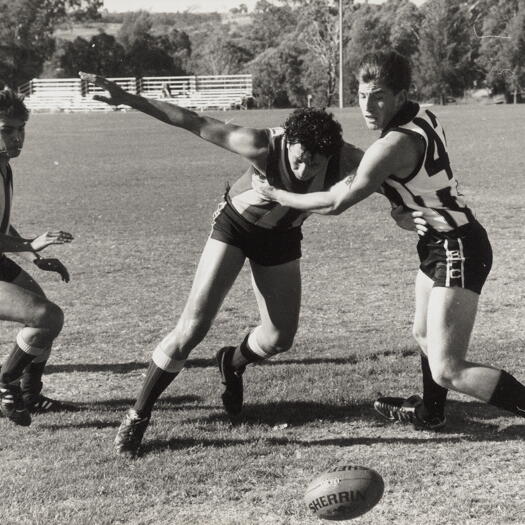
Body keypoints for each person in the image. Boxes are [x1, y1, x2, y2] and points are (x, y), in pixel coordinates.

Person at [78, 72, 364, 457]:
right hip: (236, 226)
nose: (306, 169)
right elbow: (193, 121)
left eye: (316, 163)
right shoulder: (260, 143)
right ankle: (138, 414)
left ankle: (232, 361)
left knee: (280, 339)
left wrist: (407, 211)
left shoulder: (345, 157)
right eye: (300, 158)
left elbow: (393, 175)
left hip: (281, 237)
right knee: (192, 327)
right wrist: (127, 97)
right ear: (289, 142)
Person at [253, 50, 525, 430]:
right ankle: (431, 412)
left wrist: (279, 195)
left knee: (448, 369)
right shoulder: (422, 115)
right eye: (362, 94)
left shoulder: (392, 145)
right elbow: (410, 182)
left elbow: (336, 202)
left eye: (378, 95)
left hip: (456, 246)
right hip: (439, 242)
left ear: (401, 94)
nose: (367, 104)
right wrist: (401, 205)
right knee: (423, 333)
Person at [0, 88, 74, 427]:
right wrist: (32, 242)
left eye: (21, 129)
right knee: (47, 317)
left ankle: (29, 393)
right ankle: (5, 381)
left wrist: (32, 253)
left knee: (43, 317)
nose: (17, 137)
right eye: (6, 129)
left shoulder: (4, 166)